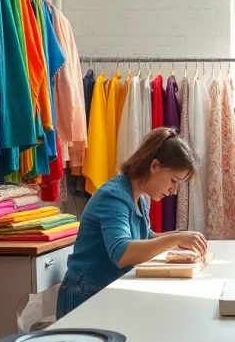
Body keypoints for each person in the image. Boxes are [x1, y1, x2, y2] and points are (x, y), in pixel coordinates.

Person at [57, 127, 208, 319]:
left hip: (104, 291)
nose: (174, 190)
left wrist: (179, 237)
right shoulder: (113, 197)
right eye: (173, 180)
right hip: (85, 294)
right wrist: (176, 238)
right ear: (154, 166)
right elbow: (122, 253)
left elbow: (145, 237)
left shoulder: (139, 198)